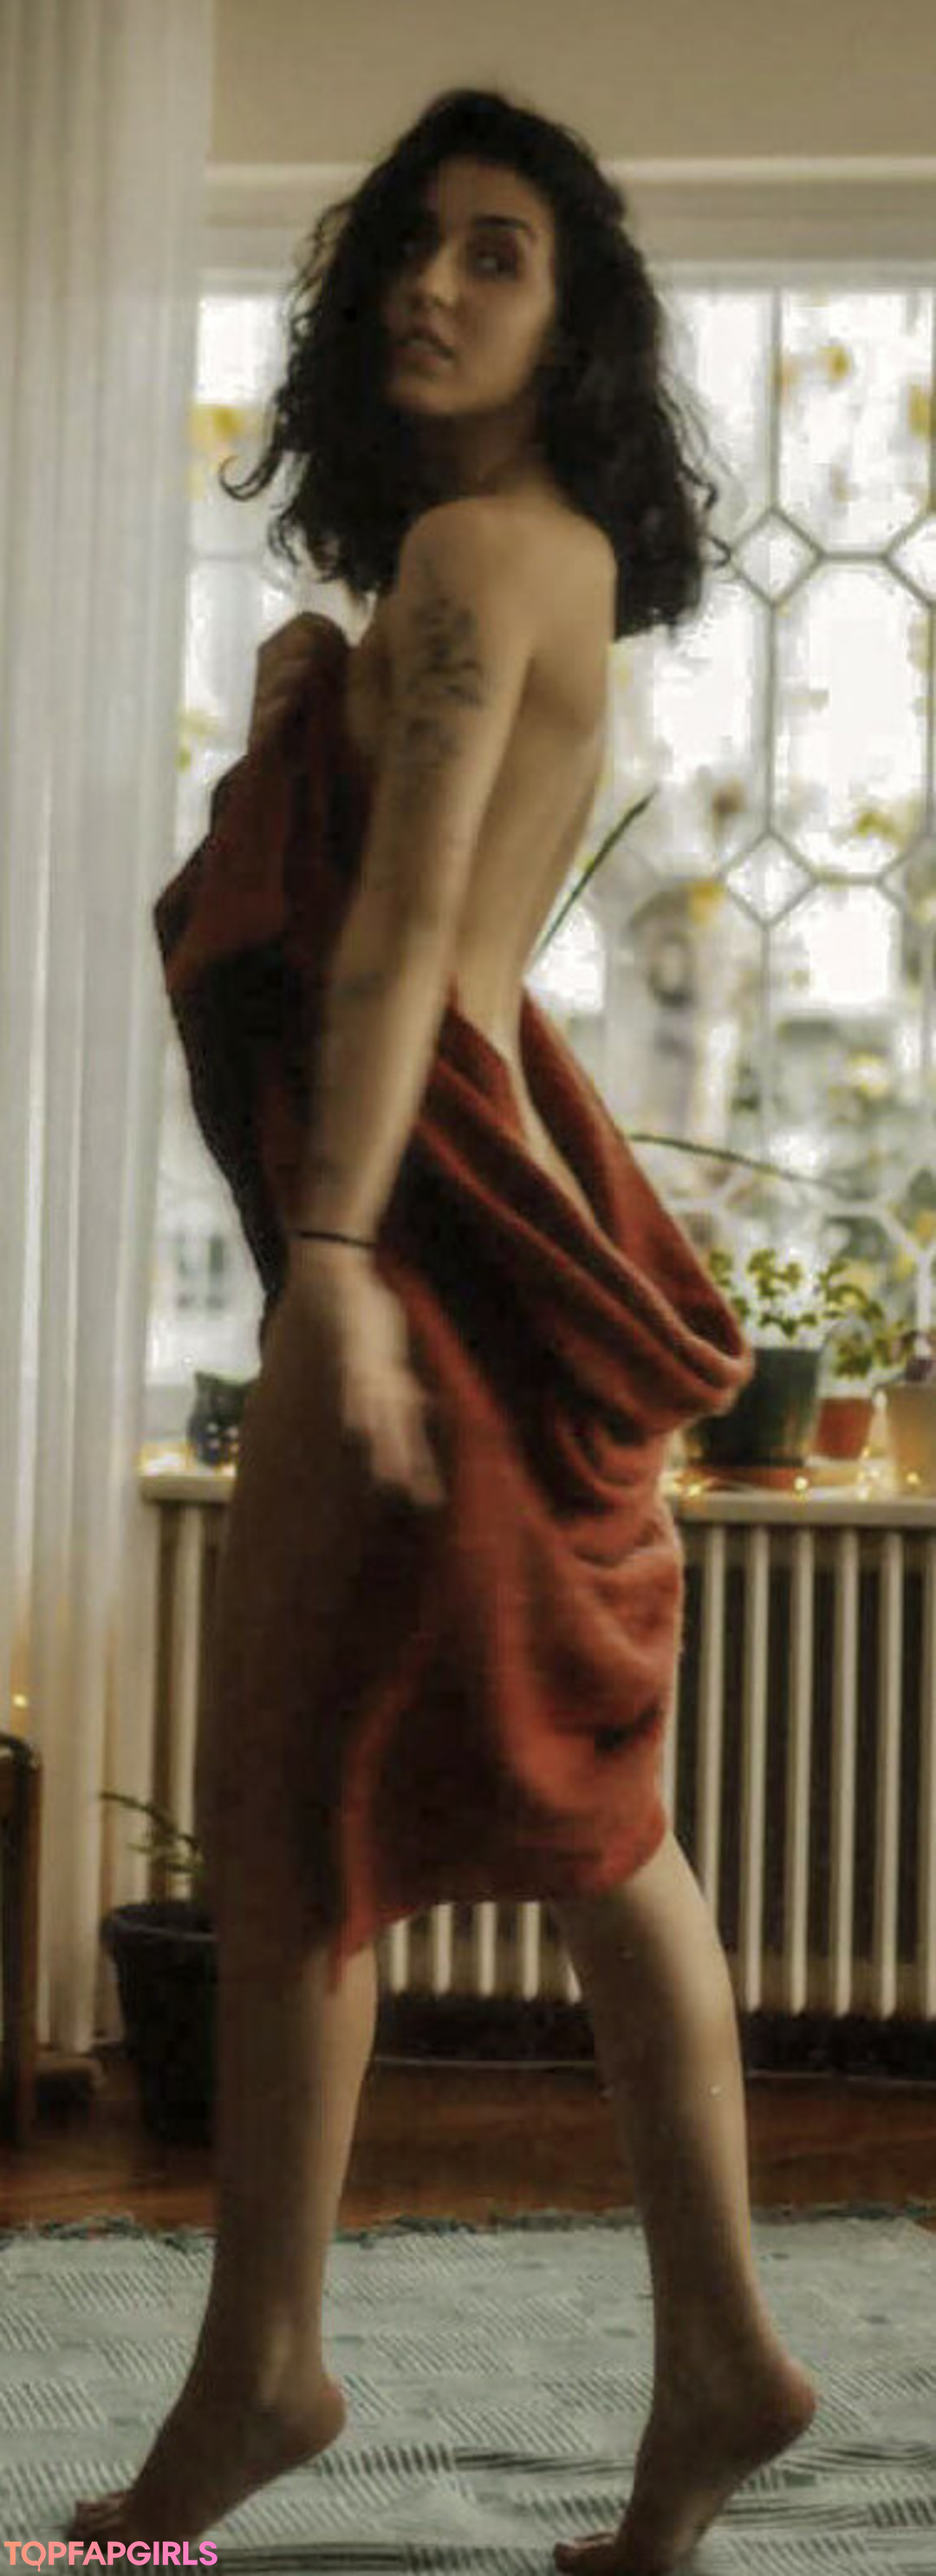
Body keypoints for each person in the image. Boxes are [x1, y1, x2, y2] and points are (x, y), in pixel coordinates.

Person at [69, 86, 816, 2574]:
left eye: (498, 253)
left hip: (426, 1236)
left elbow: (394, 938)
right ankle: (709, 2356)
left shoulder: (487, 557)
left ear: (572, 324)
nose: (430, 281)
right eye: (412, 241)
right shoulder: (512, 559)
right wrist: (321, 686)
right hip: (480, 1208)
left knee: (311, 1816)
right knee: (584, 1815)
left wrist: (332, 1264)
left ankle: (267, 2373)